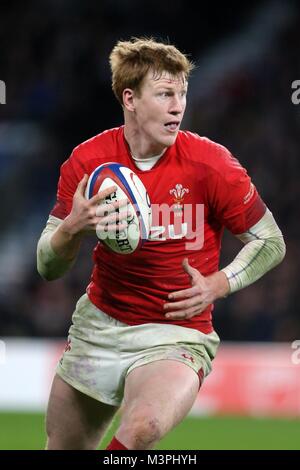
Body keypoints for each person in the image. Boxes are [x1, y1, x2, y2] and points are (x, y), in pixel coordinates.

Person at [37, 37, 286, 450]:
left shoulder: (212, 164)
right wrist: (70, 230)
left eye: (182, 93)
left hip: (177, 333)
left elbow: (271, 241)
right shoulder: (88, 161)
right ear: (130, 98)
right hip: (100, 325)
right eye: (166, 94)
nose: (178, 106)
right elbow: (47, 267)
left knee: (143, 428)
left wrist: (219, 283)